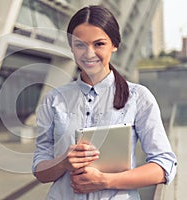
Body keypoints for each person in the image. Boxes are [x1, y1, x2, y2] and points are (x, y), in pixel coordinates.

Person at [32, 5, 177, 199]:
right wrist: (63, 162)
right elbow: (40, 170)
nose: (89, 53)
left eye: (99, 44)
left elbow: (164, 165)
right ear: (71, 47)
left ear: (114, 45)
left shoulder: (138, 97)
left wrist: (106, 181)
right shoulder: (54, 100)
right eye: (80, 45)